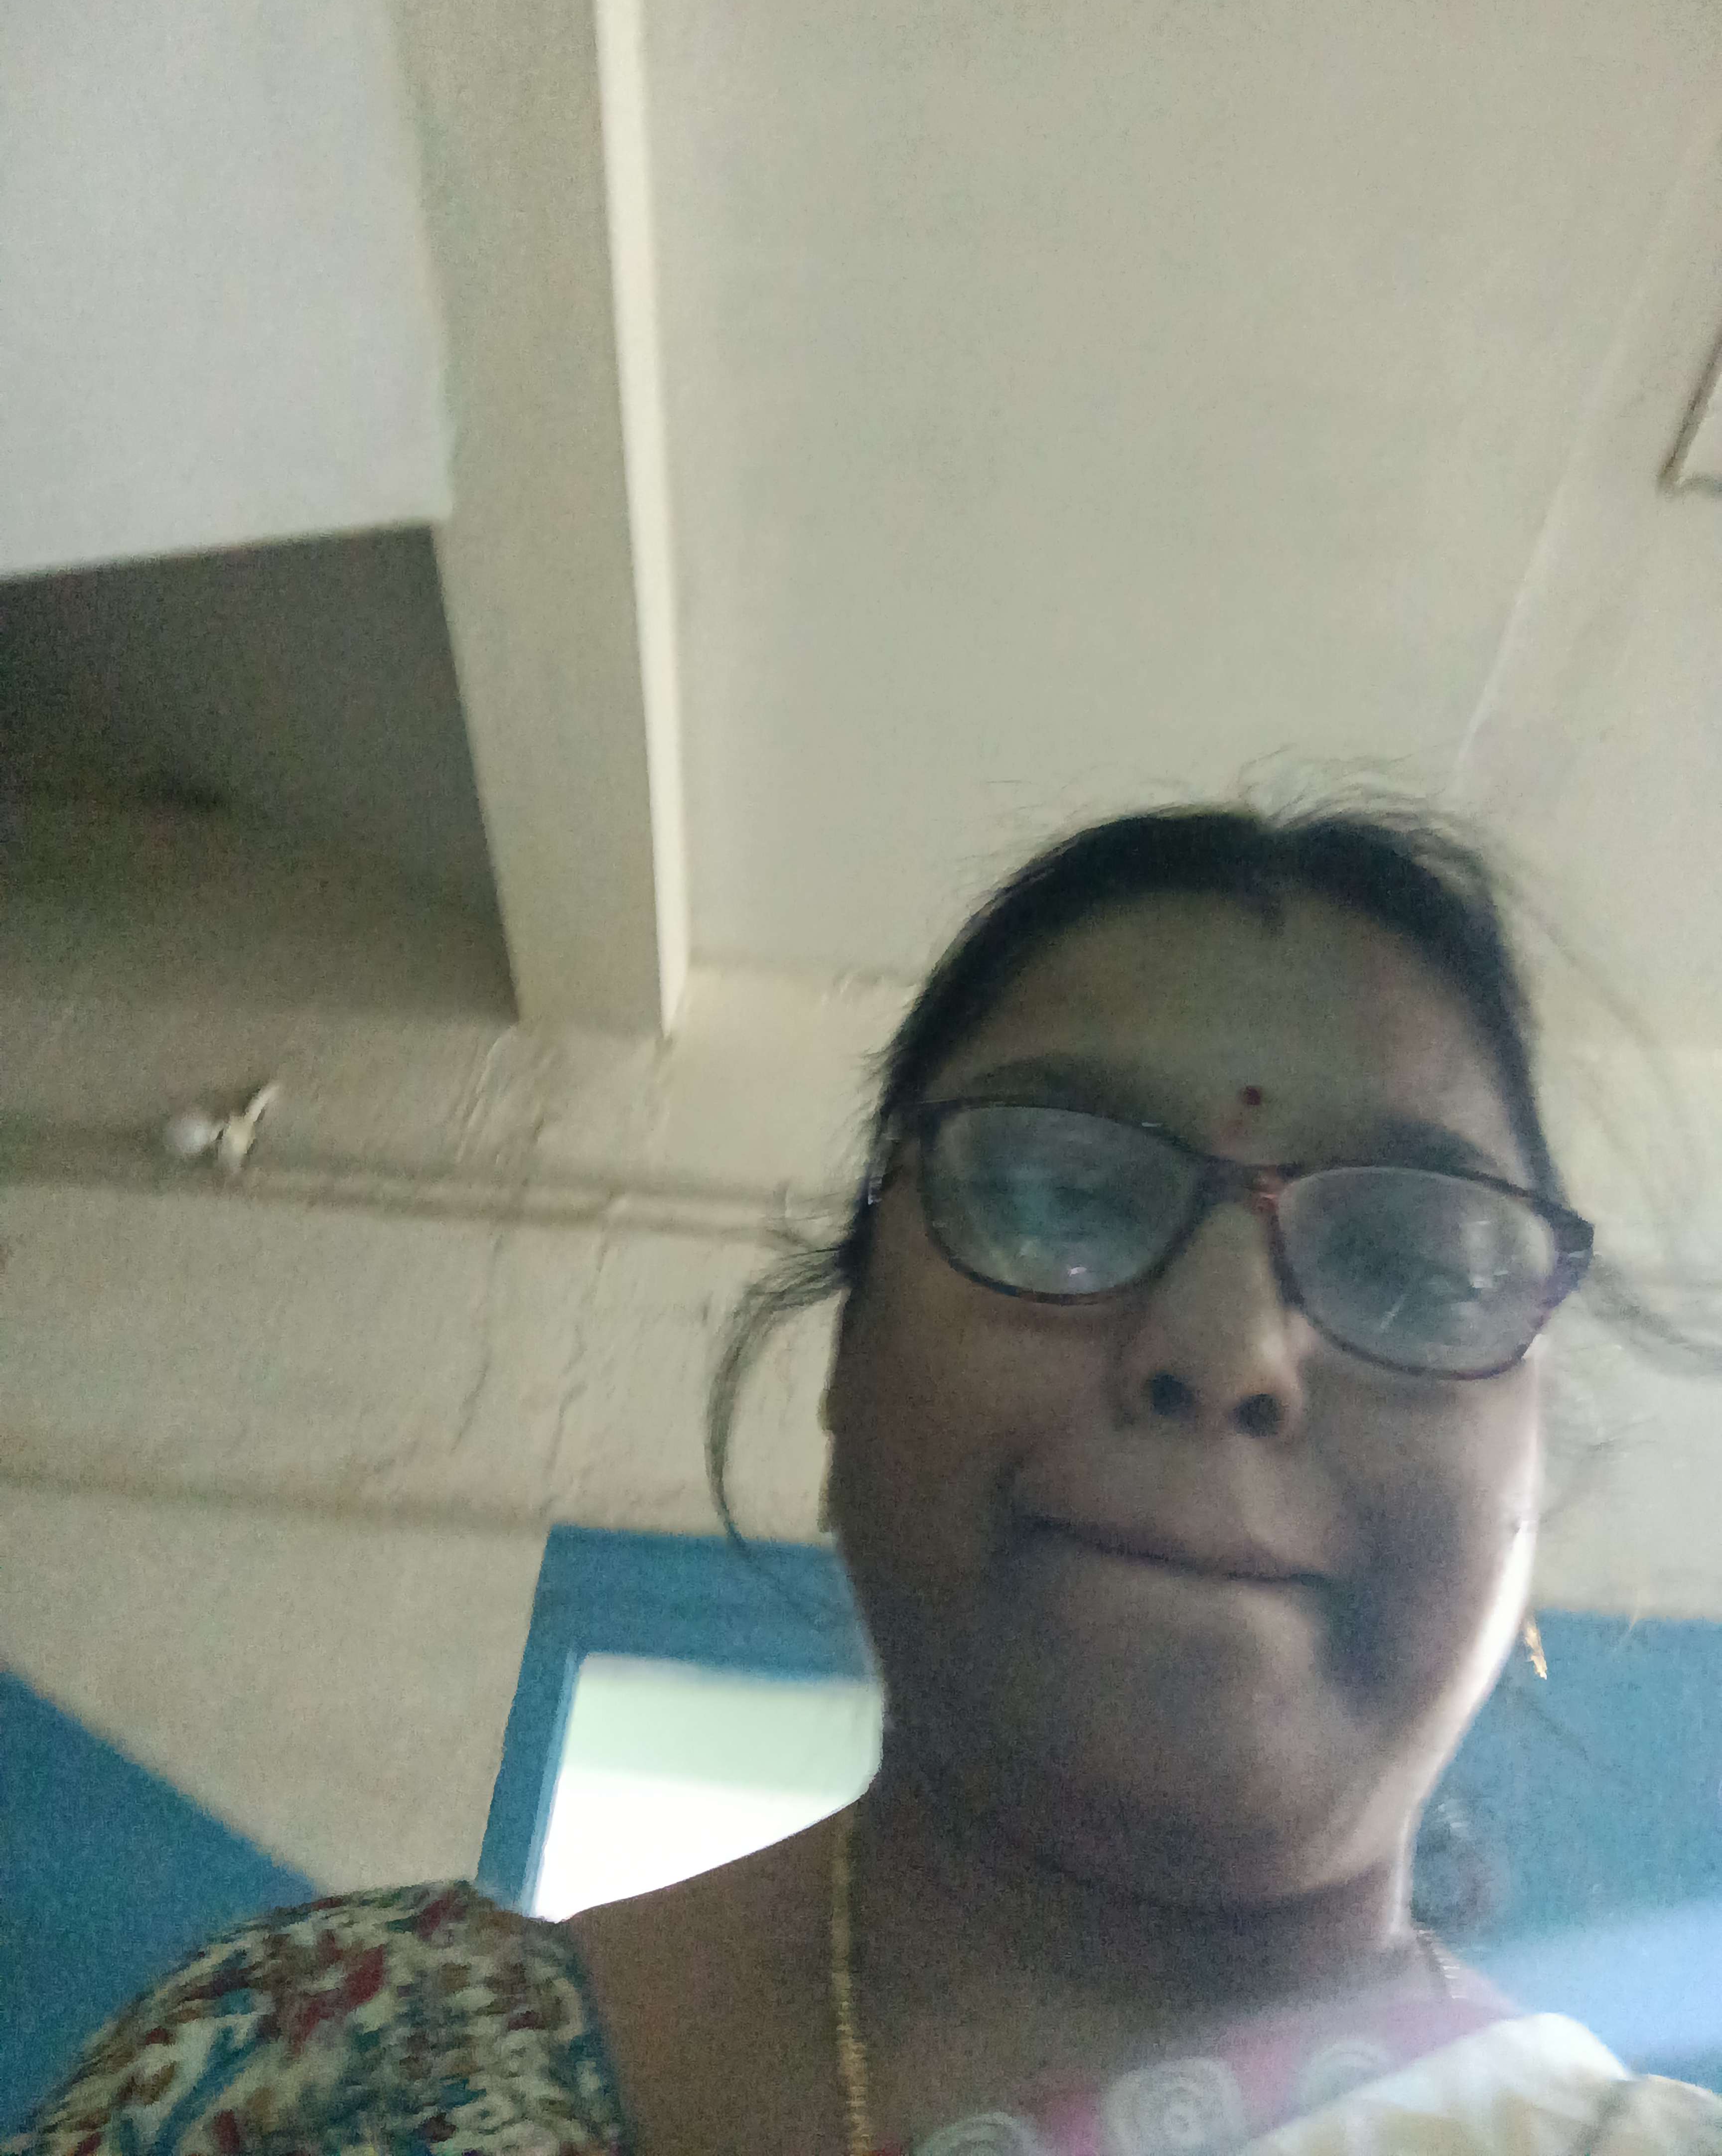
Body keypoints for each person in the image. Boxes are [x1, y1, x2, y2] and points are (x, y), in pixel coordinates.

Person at [14, 805, 1721, 2156]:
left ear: (1533, 1477)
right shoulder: (307, 2075)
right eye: (1057, 1192)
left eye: (1416, 1264)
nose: (1226, 1350)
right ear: (842, 1359)